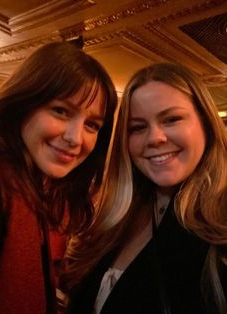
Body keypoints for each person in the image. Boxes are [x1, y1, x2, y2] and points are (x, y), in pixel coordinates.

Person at [62, 63, 227, 314]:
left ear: (205, 123)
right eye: (138, 127)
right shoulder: (116, 215)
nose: (155, 138)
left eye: (171, 119)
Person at [0, 41, 118, 314]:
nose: (75, 138)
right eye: (61, 111)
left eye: (92, 125)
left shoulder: (35, 186)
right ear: (24, 103)